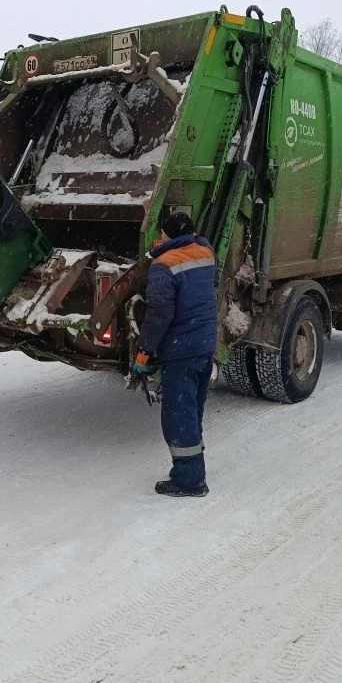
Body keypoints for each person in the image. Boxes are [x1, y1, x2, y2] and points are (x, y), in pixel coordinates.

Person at [132, 212, 217, 497]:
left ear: (167, 236)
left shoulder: (163, 265)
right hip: (204, 345)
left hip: (181, 349)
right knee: (192, 407)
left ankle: (189, 481)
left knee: (178, 414)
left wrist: (143, 352)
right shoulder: (205, 253)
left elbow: (159, 314)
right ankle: (193, 464)